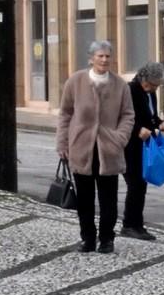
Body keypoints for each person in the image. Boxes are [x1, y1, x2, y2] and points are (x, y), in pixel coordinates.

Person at [56, 40, 135, 254]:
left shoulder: (120, 85)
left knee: (109, 199)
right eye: (100, 56)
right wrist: (63, 142)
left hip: (109, 149)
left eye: (108, 56)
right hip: (82, 147)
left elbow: (128, 115)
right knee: (85, 199)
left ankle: (107, 239)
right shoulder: (76, 82)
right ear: (91, 58)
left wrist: (120, 137)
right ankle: (87, 238)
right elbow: (65, 114)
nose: (104, 60)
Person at [121, 61, 164, 242]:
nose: (152, 88)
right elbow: (124, 117)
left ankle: (137, 224)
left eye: (156, 86)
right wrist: (138, 129)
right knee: (135, 184)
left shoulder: (150, 93)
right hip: (129, 145)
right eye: (151, 84)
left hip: (144, 145)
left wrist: (159, 122)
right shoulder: (130, 90)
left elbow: (151, 115)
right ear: (143, 78)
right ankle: (129, 225)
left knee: (141, 185)